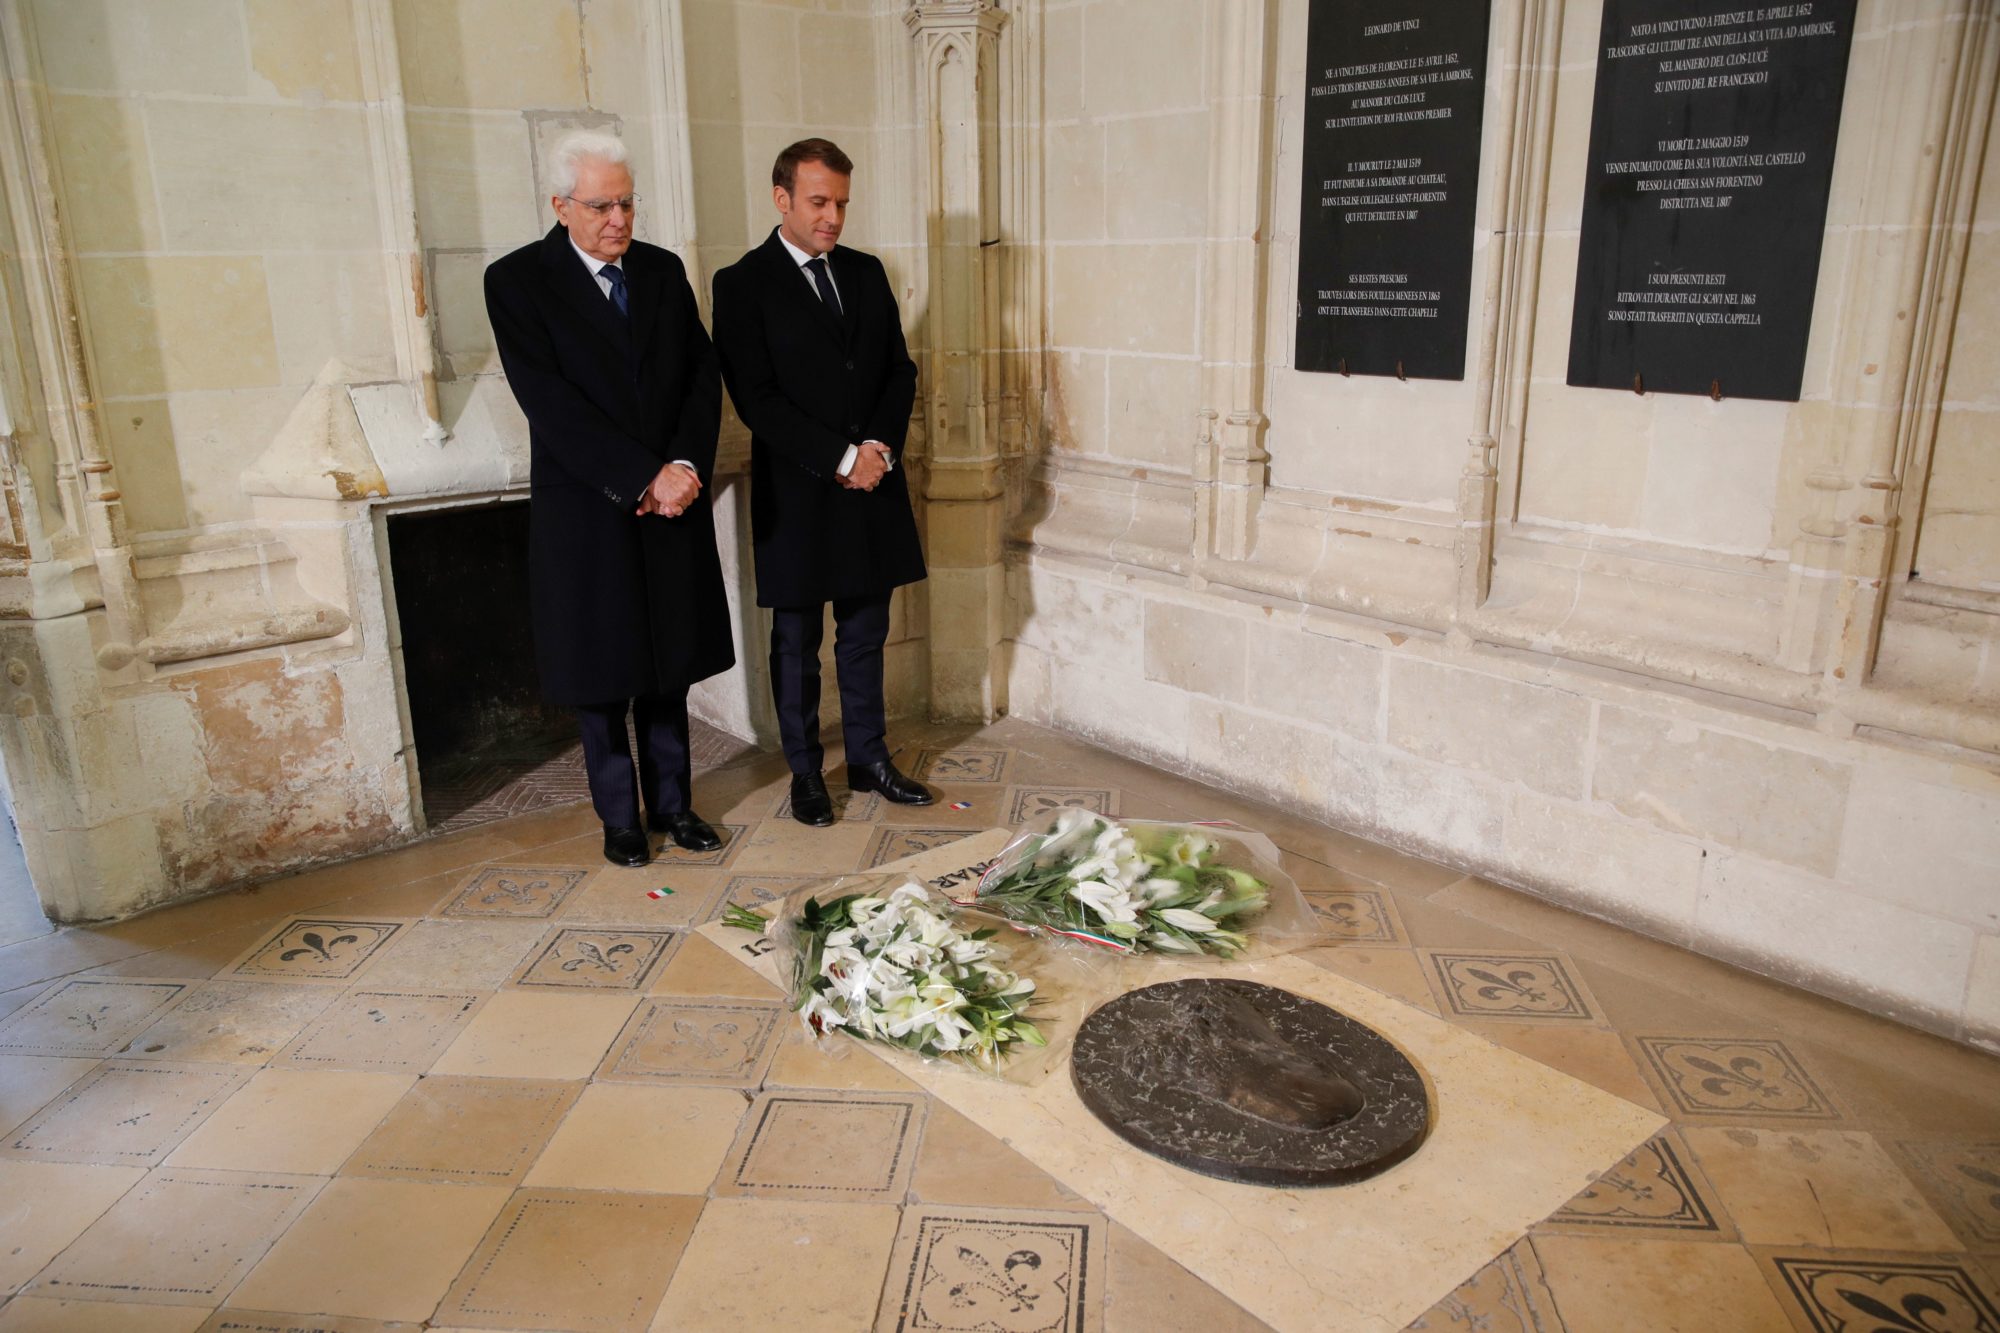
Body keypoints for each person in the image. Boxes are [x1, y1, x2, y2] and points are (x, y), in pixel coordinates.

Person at [484, 130, 733, 867]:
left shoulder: (661, 271)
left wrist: (684, 465)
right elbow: (551, 403)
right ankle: (620, 818)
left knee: (667, 662)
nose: (619, 219)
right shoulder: (517, 281)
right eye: (601, 205)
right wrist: (641, 475)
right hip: (588, 505)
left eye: (626, 202)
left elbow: (699, 374)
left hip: (671, 499)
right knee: (602, 673)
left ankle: (676, 805)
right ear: (561, 206)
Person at [711, 138, 933, 826]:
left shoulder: (866, 272)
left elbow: (899, 370)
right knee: (796, 642)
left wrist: (877, 448)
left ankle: (869, 758)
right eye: (819, 201)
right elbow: (757, 397)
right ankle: (806, 771)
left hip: (873, 483)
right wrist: (840, 456)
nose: (833, 216)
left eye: (841, 202)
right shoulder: (740, 283)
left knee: (866, 633)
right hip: (802, 491)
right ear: (782, 199)